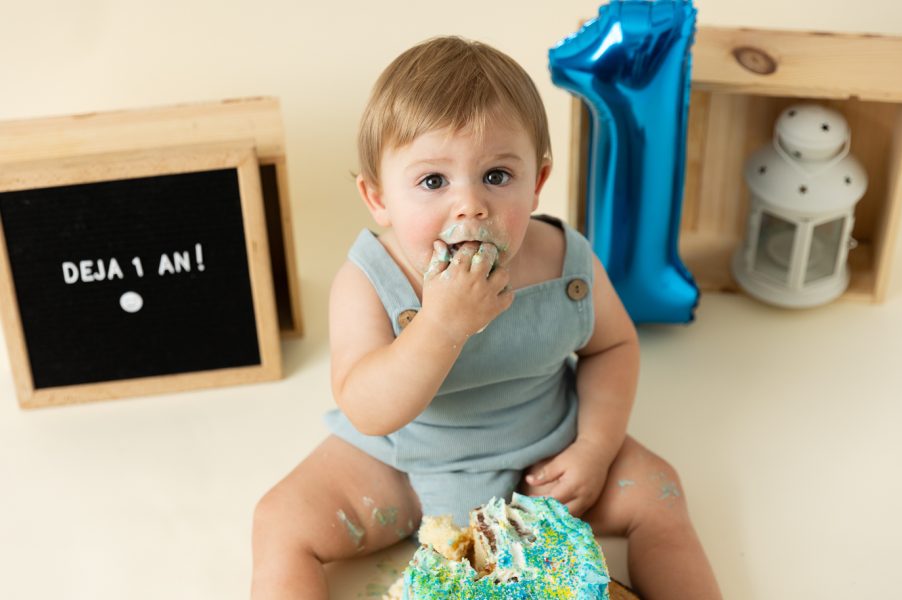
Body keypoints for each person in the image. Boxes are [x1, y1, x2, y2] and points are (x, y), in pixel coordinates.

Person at [251, 36, 721, 600]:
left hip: (544, 456)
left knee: (660, 492)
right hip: (402, 463)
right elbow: (367, 407)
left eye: (497, 175)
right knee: (279, 520)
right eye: (432, 181)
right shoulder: (370, 279)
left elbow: (612, 349)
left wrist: (594, 449)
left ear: (538, 181)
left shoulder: (562, 259)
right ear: (378, 198)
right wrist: (441, 324)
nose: (470, 205)